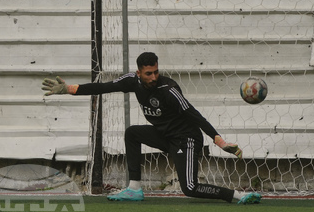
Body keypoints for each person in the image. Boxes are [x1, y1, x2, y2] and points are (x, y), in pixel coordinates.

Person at [42, 51, 261, 204]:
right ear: (139, 73)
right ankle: (135, 188)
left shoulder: (169, 90)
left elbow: (195, 116)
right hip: (165, 136)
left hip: (187, 139)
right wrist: (70, 89)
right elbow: (104, 86)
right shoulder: (132, 81)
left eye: (156, 72)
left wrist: (220, 141)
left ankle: (238, 196)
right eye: (149, 73)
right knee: (132, 133)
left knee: (190, 188)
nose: (154, 77)